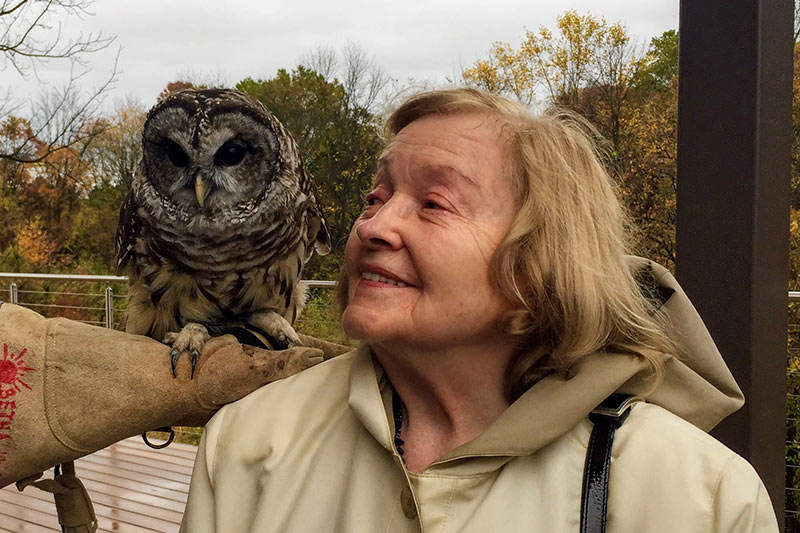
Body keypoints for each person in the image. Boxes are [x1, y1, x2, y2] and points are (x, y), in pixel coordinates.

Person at [180, 88, 779, 532]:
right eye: (376, 196)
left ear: (539, 263)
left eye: (435, 204)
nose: (375, 225)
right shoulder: (248, 441)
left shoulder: (703, 500)